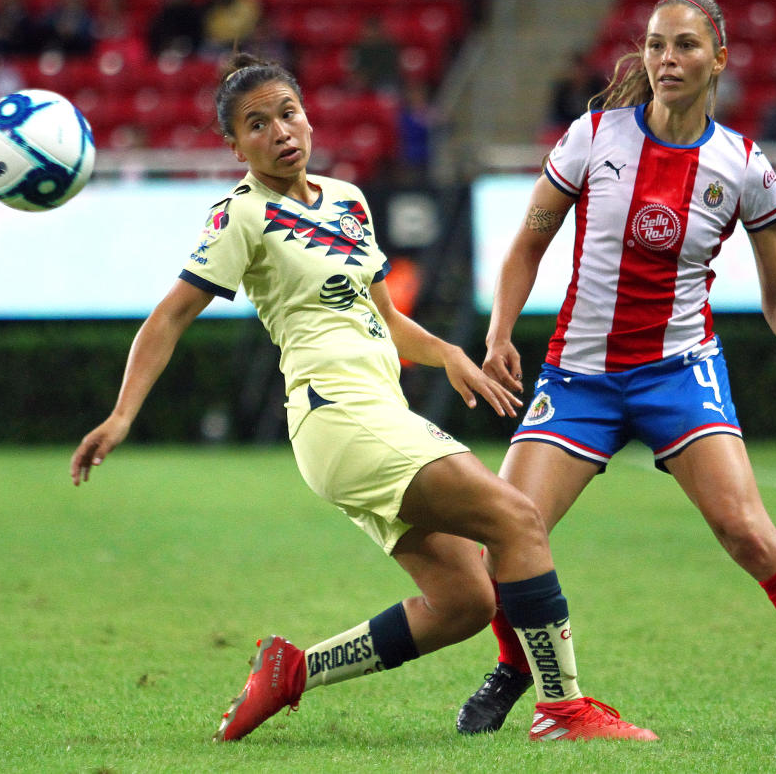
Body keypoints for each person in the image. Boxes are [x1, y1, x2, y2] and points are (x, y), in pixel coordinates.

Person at [69, 54, 656, 744]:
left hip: (379, 415)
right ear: (235, 148)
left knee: (467, 600)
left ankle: (292, 672)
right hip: (337, 419)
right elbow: (168, 316)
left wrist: (448, 354)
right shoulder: (240, 217)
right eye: (257, 125)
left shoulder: (348, 200)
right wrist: (122, 414)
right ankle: (563, 708)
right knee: (517, 519)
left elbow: (388, 319)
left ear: (308, 115)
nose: (281, 131)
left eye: (288, 112)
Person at [456, 0, 776, 737]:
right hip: (579, 377)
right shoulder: (592, 137)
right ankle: (515, 667)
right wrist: (500, 333)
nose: (667, 59)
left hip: (678, 372)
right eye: (657, 44)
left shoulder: (745, 167)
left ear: (718, 58)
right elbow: (528, 241)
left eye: (686, 45)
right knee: (507, 530)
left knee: (749, 534)